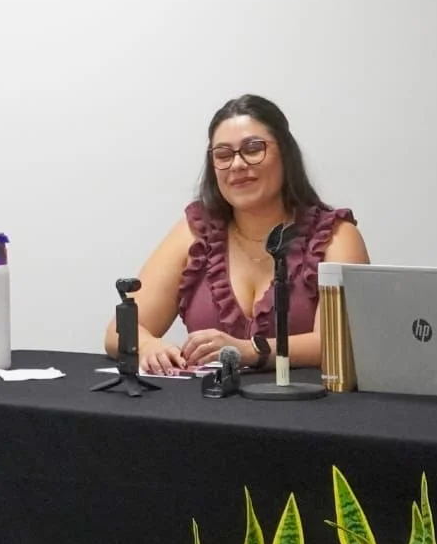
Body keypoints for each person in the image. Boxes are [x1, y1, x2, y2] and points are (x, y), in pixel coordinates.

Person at [103, 95, 369, 373]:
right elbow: (118, 332)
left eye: (253, 149)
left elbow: (341, 342)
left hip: (311, 408)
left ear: (286, 155)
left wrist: (251, 350)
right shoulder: (195, 233)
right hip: (211, 410)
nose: (237, 165)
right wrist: (149, 348)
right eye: (223, 155)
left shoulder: (336, 236)